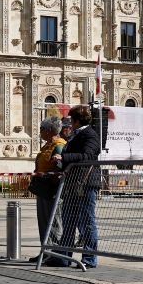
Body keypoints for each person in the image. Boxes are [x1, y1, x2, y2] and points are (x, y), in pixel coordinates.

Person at [56, 105, 101, 269]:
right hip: (73, 183)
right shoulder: (76, 135)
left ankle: (90, 258)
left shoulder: (90, 134)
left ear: (76, 120)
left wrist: (64, 157)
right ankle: (64, 257)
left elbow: (87, 156)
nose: (69, 122)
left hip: (85, 183)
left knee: (87, 221)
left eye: (70, 119)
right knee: (68, 220)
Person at [31, 117, 67, 256]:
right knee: (44, 222)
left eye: (42, 129)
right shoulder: (47, 145)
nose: (40, 132)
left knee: (54, 222)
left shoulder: (59, 145)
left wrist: (48, 176)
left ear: (50, 130)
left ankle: (55, 253)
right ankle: (45, 252)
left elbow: (59, 168)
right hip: (43, 189)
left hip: (52, 190)